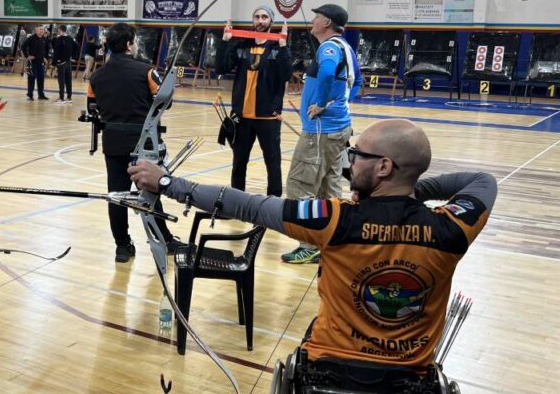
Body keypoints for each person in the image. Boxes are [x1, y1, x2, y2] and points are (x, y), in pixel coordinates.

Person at [129, 118, 497, 369]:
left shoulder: (334, 218)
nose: (350, 163)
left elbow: (248, 205)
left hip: (332, 367)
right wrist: (407, 193)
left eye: (358, 156)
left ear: (384, 167)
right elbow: (483, 181)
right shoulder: (453, 227)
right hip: (409, 379)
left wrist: (168, 184)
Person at [86, 23, 180, 263]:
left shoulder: (96, 76)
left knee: (116, 195)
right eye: (134, 41)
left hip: (113, 143)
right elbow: (166, 103)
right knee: (150, 193)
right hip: (143, 144)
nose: (136, 45)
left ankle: (122, 246)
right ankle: (166, 241)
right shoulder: (146, 71)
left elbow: (92, 108)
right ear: (129, 44)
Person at [282, 4, 361, 264]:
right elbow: (358, 81)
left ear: (326, 23)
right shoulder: (346, 47)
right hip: (336, 129)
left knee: (300, 186)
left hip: (320, 131)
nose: (313, 20)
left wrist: (322, 103)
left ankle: (309, 244)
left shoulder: (328, 48)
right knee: (329, 186)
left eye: (317, 17)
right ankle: (333, 240)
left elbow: (327, 73)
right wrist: (340, 103)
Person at [214, 5, 291, 197]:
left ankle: (273, 201)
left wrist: (283, 46)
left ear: (271, 21)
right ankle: (236, 199)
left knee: (272, 162)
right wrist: (224, 42)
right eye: (257, 17)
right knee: (238, 162)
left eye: (265, 17)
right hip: (242, 116)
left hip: (268, 116)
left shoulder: (277, 46)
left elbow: (287, 74)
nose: (260, 21)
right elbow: (221, 68)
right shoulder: (243, 44)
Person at [51, 25, 79, 104]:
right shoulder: (70, 38)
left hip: (61, 63)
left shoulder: (59, 39)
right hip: (68, 62)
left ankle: (61, 98)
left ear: (60, 30)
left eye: (58, 30)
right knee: (68, 80)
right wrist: (73, 56)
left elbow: (56, 52)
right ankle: (69, 97)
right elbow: (77, 47)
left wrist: (53, 63)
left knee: (61, 81)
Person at [22, 25, 50, 100]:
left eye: (43, 29)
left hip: (41, 62)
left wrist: (45, 57)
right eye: (40, 29)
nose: (42, 31)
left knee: (41, 78)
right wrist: (27, 56)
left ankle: (41, 95)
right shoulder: (31, 38)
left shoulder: (44, 39)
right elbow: (23, 46)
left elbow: (47, 49)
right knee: (31, 78)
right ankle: (30, 95)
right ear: (36, 30)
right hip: (32, 62)